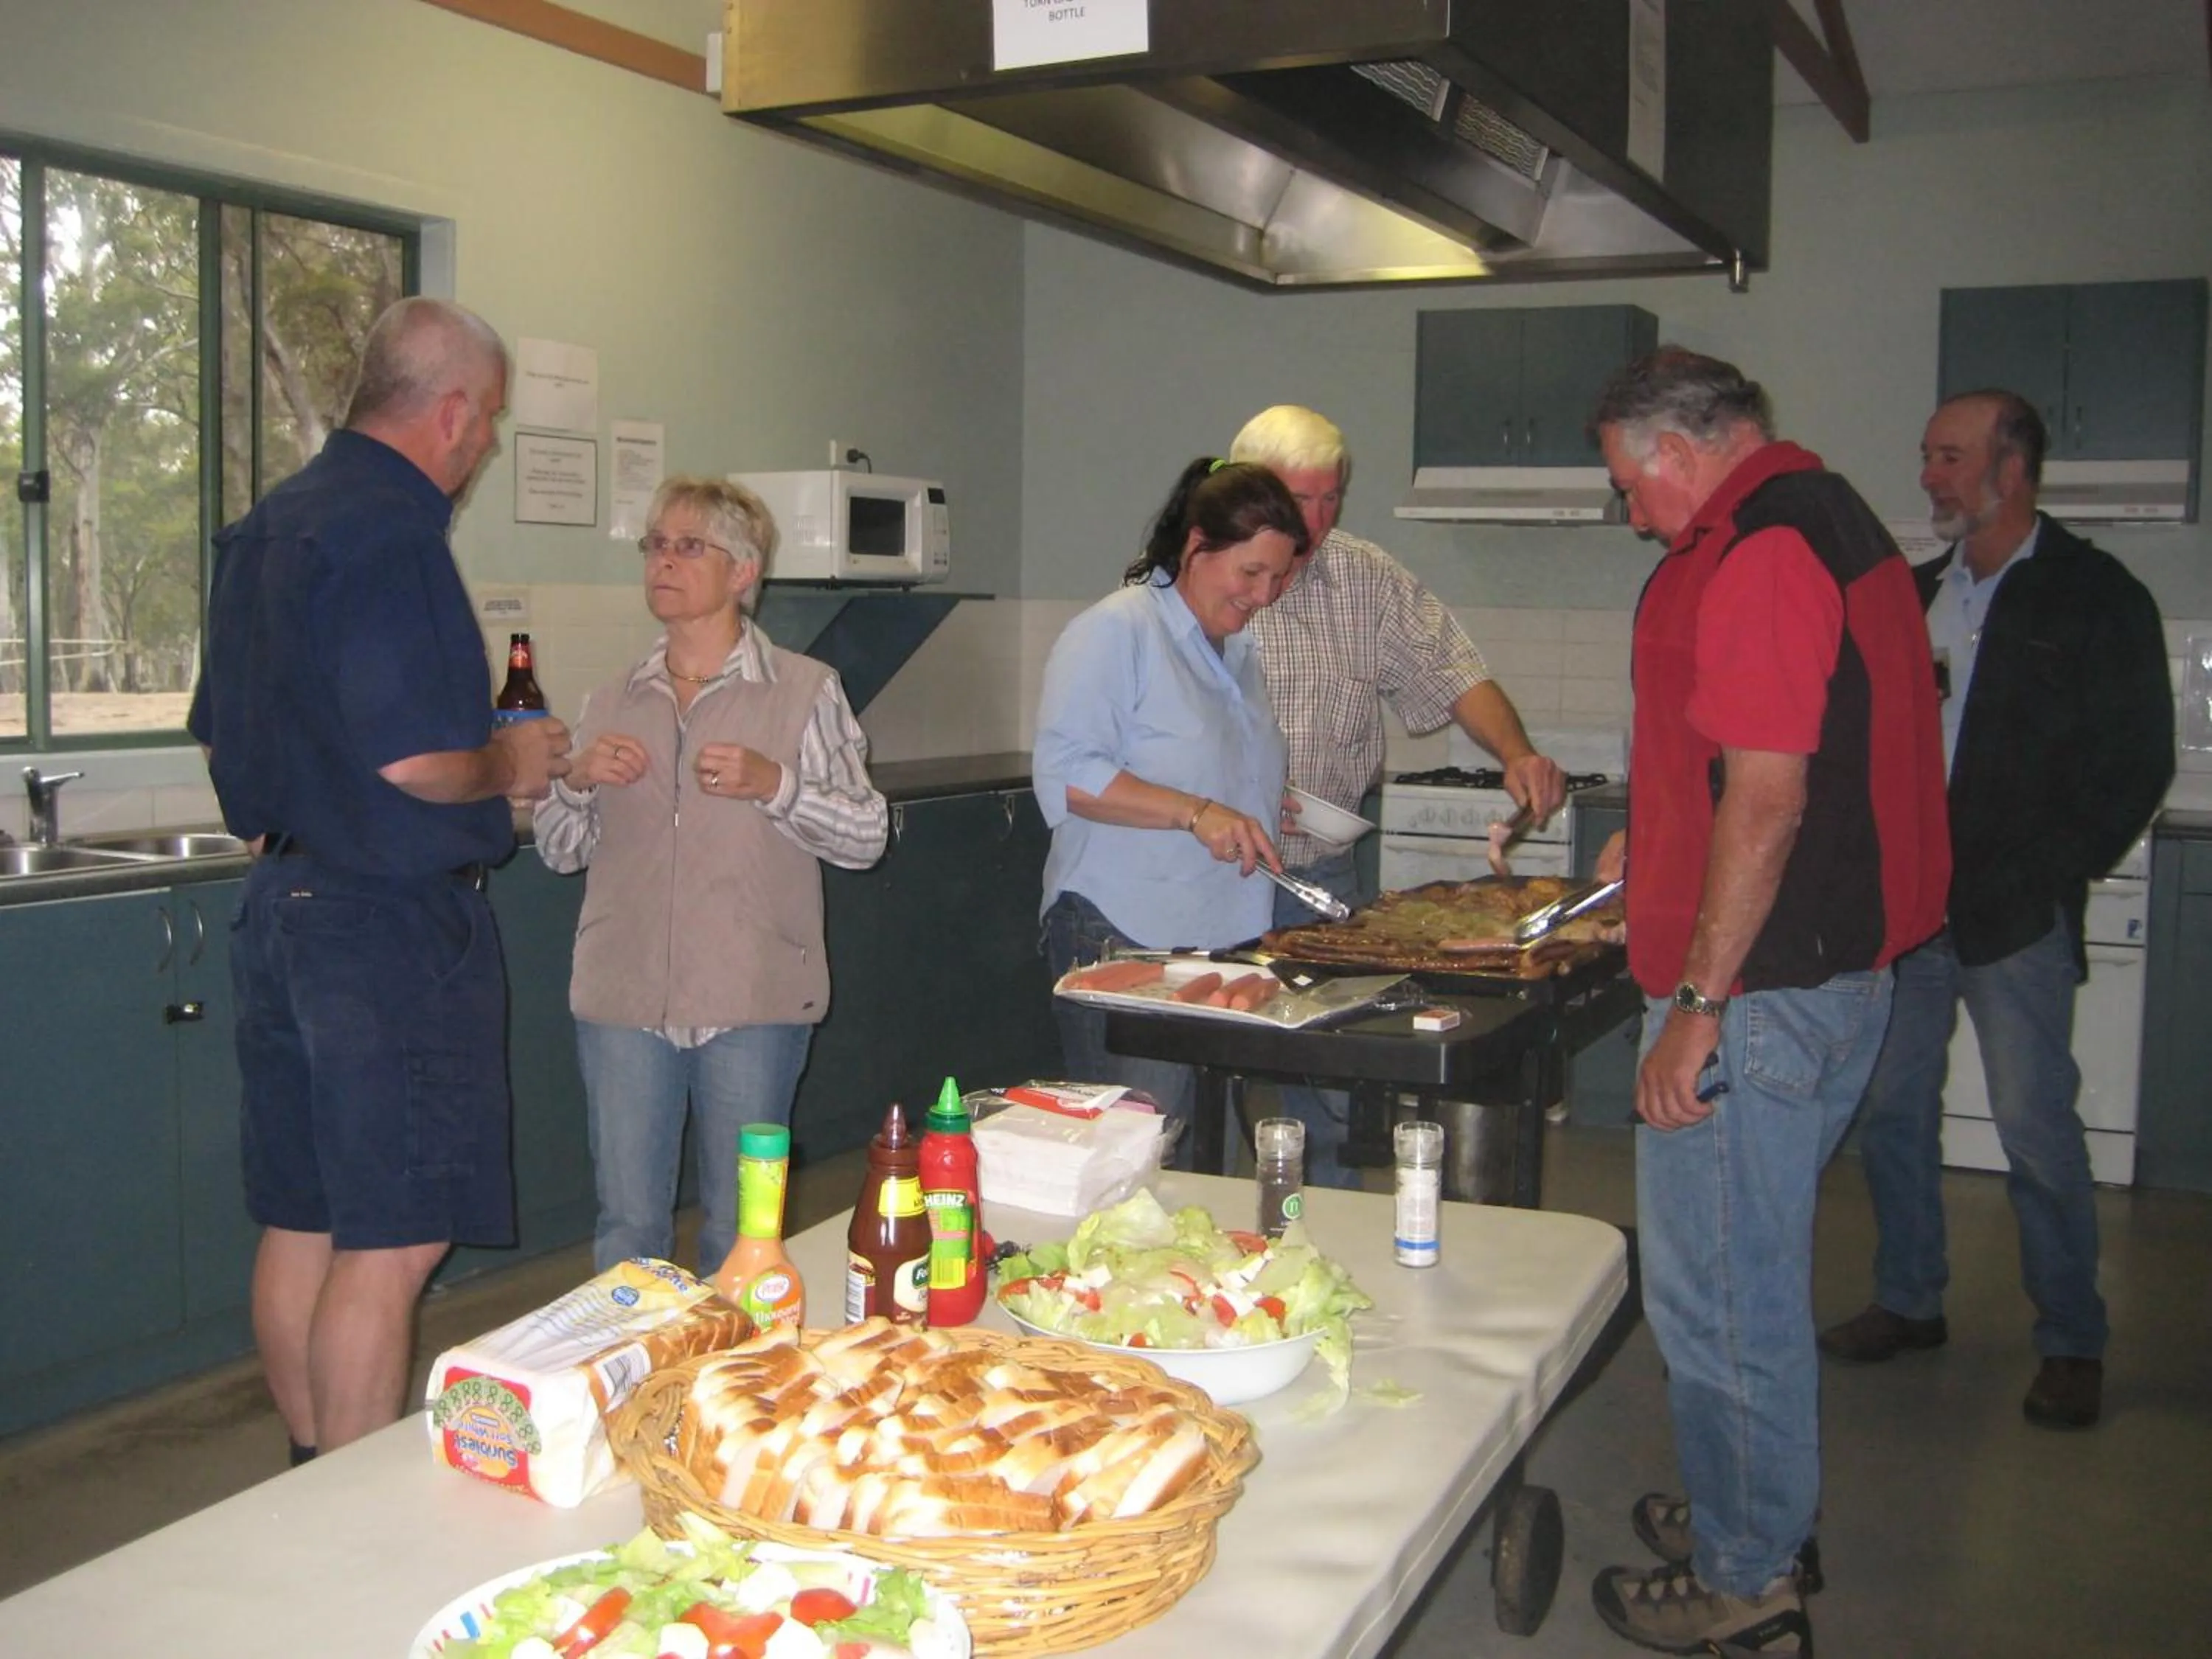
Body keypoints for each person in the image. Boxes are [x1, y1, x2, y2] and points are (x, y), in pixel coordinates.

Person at [1585, 350, 1950, 1653]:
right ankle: (1756, 1507)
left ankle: (1749, 1578)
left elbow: (1776, 798)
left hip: (1761, 993)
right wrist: (1661, 827)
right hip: (1836, 971)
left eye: (1632, 485)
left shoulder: (1762, 553)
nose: (1632, 511)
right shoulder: (1836, 519)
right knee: (1750, 1278)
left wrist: (1696, 1002)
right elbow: (1769, 751)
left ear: (1680, 452)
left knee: (1719, 1299)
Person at [189, 296, 571, 1458]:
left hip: (282, 911)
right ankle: (350, 1510)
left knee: (303, 1215)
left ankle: (305, 1477)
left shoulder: (272, 525)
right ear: (450, 411)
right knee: (394, 1238)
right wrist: (513, 758)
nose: (488, 447)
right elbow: (416, 758)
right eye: (491, 422)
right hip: (386, 929)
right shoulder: (394, 531)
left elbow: (222, 732)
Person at [1818, 392, 2174, 1431]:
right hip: (1909, 907)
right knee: (1891, 1109)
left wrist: (2051, 870)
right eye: (1928, 454)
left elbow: (2137, 758)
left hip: (2015, 911)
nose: (1929, 476)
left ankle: (2071, 1340)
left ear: (2010, 472)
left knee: (2034, 1126)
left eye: (1949, 457)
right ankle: (1909, 1297)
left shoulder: (2094, 595)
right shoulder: (1913, 594)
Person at [535, 476, 888, 1276]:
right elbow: (559, 850)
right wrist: (577, 778)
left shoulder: (804, 691)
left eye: (688, 545)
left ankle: (737, 1395)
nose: (664, 560)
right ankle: (637, 1391)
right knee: (628, 1233)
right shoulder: (611, 697)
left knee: (743, 1238)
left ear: (742, 572)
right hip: (624, 1001)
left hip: (753, 1004)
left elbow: (867, 836)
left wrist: (779, 785)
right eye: (655, 545)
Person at [1229, 405, 1565, 1186]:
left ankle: (1325, 1240)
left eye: (1330, 498)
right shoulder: (1206, 574)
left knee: (1331, 1085)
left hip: (1319, 876)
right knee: (1204, 1077)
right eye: (1296, 499)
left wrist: (1516, 751)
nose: (1315, 520)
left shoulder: (1365, 577)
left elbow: (1452, 672)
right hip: (1212, 872)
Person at [1034, 458, 1307, 1150]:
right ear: (1195, 546)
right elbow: (1069, 775)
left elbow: (1200, 766)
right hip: (1123, 932)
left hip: (1217, 942)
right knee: (1140, 1159)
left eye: (1278, 577)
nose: (1265, 593)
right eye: (1250, 573)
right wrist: (1197, 813)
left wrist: (1259, 807)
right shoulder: (1119, 630)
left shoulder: (1235, 653)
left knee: (1197, 1155)